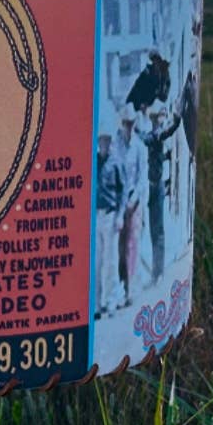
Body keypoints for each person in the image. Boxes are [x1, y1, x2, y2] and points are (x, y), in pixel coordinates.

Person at [139, 99, 181, 284]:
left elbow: (159, 135)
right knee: (155, 230)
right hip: (152, 185)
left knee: (157, 231)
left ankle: (158, 272)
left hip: (155, 186)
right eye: (159, 118)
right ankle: (157, 271)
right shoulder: (154, 136)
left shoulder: (154, 136)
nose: (160, 121)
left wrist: (177, 120)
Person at [114, 103, 147, 306]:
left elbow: (142, 178)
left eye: (131, 123)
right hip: (119, 202)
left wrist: (135, 199)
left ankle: (130, 288)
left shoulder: (140, 147)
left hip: (134, 202)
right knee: (118, 246)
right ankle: (119, 286)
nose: (128, 126)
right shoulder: (114, 146)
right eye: (125, 123)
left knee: (132, 245)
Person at [95, 117, 124, 318]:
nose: (104, 143)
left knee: (110, 261)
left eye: (106, 140)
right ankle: (97, 304)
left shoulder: (116, 163)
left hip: (111, 215)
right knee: (96, 262)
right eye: (101, 140)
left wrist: (120, 216)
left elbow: (123, 191)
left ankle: (111, 300)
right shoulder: (94, 161)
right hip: (95, 215)